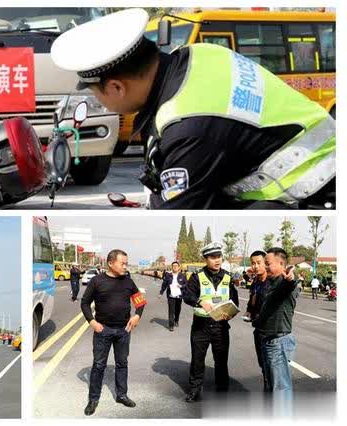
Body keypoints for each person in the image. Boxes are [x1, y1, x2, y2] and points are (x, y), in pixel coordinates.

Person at [50, 8, 335, 210]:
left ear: (116, 88)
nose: (103, 102)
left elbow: (180, 213)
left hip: (314, 190)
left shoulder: (187, 126)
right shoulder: (202, 54)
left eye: (96, 93)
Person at [80, 249, 146, 416]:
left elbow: (140, 302)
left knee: (122, 363)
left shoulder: (128, 282)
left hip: (124, 330)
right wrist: (92, 322)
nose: (125, 266)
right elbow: (85, 303)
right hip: (103, 330)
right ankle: (93, 398)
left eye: (126, 263)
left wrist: (137, 315)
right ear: (110, 263)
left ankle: (122, 395)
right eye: (122, 263)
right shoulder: (97, 281)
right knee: (99, 365)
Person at [182, 242, 239, 402]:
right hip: (201, 326)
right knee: (197, 359)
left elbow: (234, 300)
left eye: (219, 256)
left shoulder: (228, 277)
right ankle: (194, 390)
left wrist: (231, 313)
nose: (217, 260)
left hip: (221, 326)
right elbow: (187, 295)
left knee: (221, 360)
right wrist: (200, 302)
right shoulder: (197, 276)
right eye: (213, 257)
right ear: (206, 259)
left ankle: (222, 389)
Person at [254, 248, 299, 415]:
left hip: (278, 342)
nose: (265, 267)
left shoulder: (284, 282)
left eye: (268, 264)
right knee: (271, 386)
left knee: (281, 389)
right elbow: (268, 306)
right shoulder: (271, 282)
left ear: (281, 264)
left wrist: (290, 279)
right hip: (268, 340)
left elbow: (288, 286)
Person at [243, 250, 269, 390]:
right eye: (253, 263)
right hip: (258, 329)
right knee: (262, 363)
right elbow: (252, 300)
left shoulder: (273, 282)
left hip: (271, 331)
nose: (256, 266)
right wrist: (249, 312)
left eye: (259, 263)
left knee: (271, 365)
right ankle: (267, 386)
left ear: (266, 263)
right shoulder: (256, 282)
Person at [159, 261, 186, 331]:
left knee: (178, 309)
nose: (175, 267)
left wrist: (182, 286)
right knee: (171, 310)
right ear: (172, 267)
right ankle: (171, 325)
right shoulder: (168, 275)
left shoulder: (182, 275)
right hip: (171, 296)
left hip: (179, 296)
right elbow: (164, 284)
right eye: (173, 266)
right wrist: (161, 293)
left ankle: (176, 320)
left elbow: (187, 284)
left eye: (176, 266)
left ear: (179, 267)